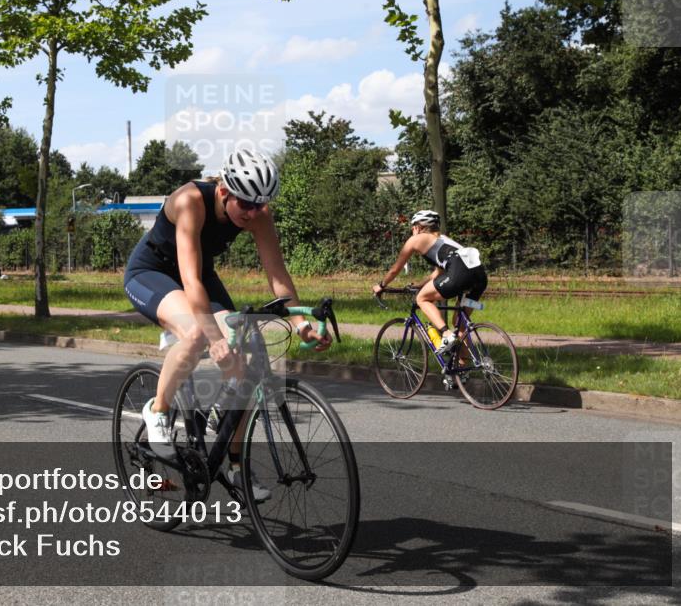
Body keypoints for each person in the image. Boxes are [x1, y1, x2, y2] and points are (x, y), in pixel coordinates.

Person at [123, 149, 331, 500]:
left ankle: (236, 466)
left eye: (260, 205)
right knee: (195, 333)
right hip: (153, 273)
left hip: (200, 275)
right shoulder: (190, 200)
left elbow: (277, 275)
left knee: (250, 351)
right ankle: (158, 409)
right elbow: (190, 283)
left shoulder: (259, 214)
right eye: (246, 204)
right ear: (223, 192)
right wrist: (214, 337)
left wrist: (300, 322)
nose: (253, 213)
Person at [372, 210, 488, 354]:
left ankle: (445, 334)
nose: (412, 230)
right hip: (479, 275)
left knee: (422, 298)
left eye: (413, 227)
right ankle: (463, 370)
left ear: (419, 227)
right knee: (460, 324)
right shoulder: (444, 240)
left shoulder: (416, 239)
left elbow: (395, 269)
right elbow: (438, 273)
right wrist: (420, 285)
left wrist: (381, 285)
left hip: (460, 273)